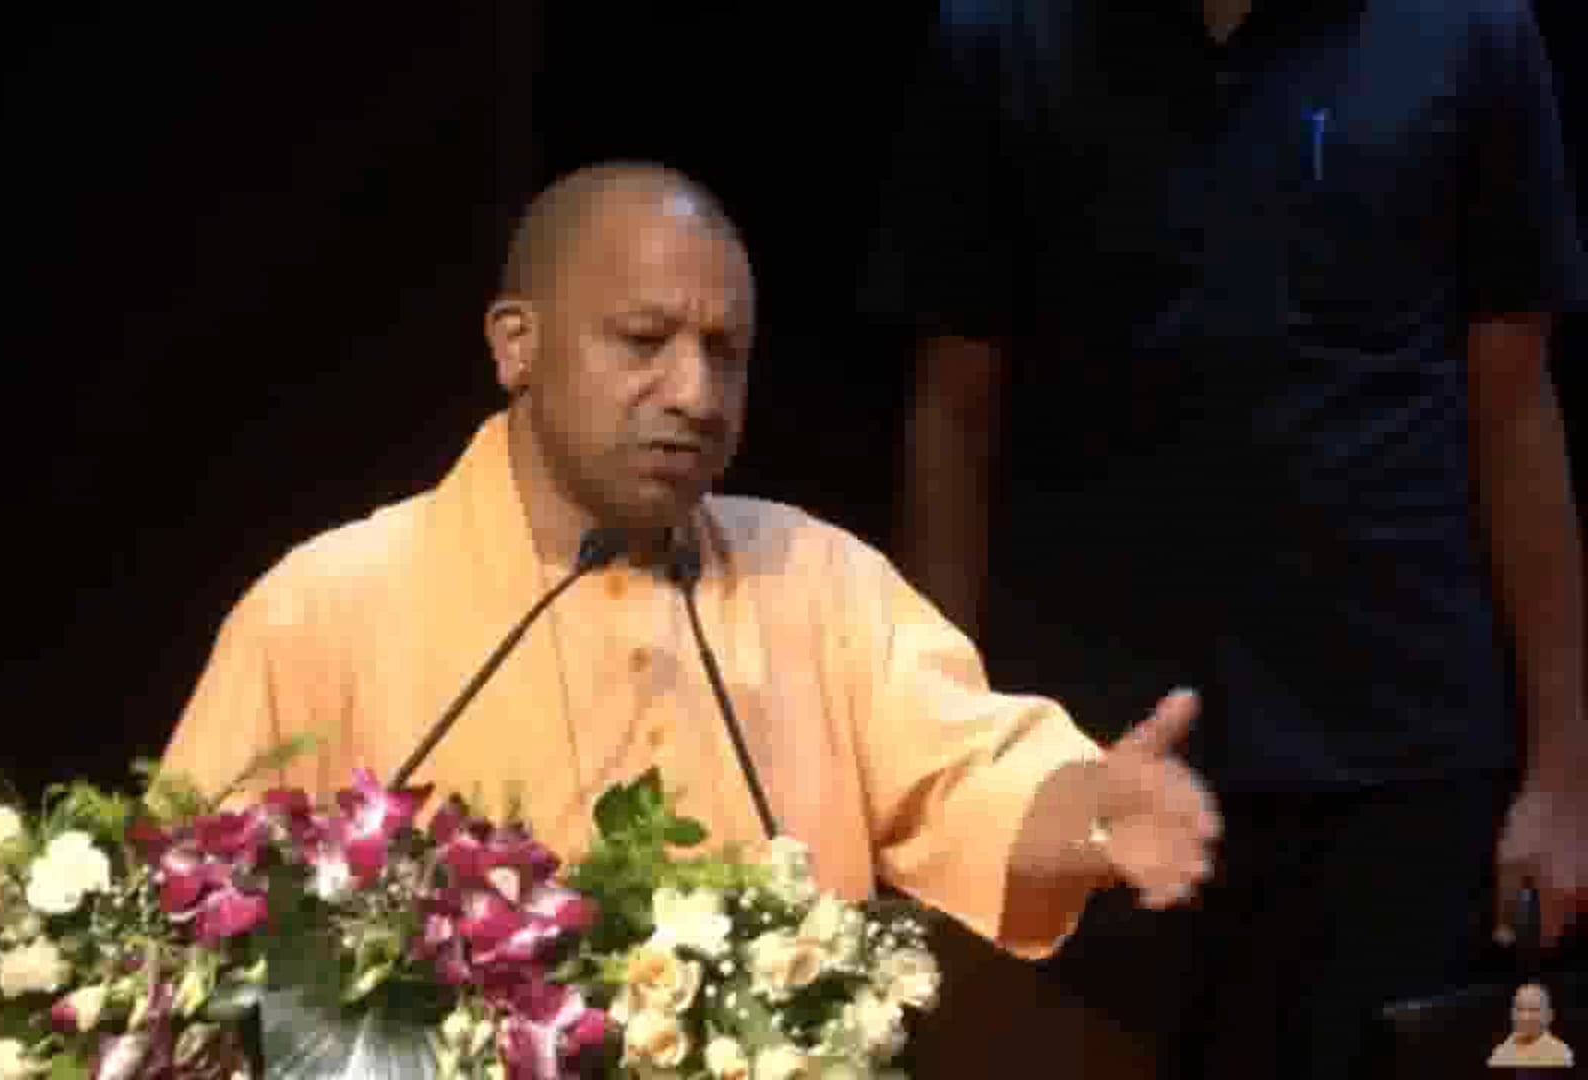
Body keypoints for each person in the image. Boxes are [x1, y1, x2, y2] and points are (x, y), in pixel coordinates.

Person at [159, 162, 1222, 964]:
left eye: (726, 353)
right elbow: (178, 937)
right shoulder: (325, 610)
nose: (696, 395)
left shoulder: (816, 580)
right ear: (516, 343)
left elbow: (973, 782)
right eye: (644, 340)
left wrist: (1093, 811)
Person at [862, 0, 1588, 1077]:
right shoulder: (1002, 34)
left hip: (1406, 755)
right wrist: (939, 764)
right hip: (1093, 747)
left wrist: (1562, 776)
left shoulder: (1471, 27)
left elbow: (1516, 405)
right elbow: (953, 411)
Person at [1489, 982, 1576, 1069]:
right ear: (1512, 1013)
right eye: (1520, 1009)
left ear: (1549, 1015)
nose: (1525, 1017)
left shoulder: (1559, 1054)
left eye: (1534, 1010)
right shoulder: (1502, 1050)